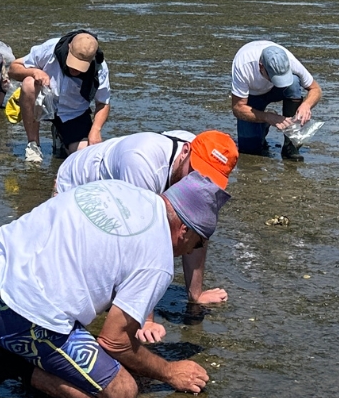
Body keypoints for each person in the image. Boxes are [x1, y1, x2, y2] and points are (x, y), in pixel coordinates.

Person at [0, 174, 226, 398]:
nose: (193, 251)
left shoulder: (126, 190)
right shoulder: (158, 259)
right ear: (183, 231)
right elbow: (114, 341)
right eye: (199, 242)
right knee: (122, 391)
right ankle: (5, 365)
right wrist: (170, 371)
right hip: (10, 313)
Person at [54, 130, 239, 334]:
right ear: (186, 151)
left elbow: (197, 231)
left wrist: (196, 295)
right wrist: (145, 318)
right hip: (79, 184)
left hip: (118, 183)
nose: (196, 182)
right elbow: (141, 240)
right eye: (194, 171)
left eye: (208, 179)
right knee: (80, 281)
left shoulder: (195, 155)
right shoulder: (142, 163)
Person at [9, 30, 110, 164]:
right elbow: (13, 69)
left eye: (81, 67)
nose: (75, 70)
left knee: (86, 157)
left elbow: (103, 103)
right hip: (44, 102)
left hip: (73, 113)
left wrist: (96, 130)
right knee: (28, 83)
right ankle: (33, 145)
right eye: (73, 63)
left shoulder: (100, 68)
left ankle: (61, 136)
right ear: (69, 47)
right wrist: (34, 71)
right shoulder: (50, 48)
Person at [230, 40, 323, 160]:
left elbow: (316, 89)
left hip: (277, 91)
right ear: (261, 67)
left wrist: (306, 105)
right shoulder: (243, 66)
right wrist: (268, 117)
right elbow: (238, 108)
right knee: (250, 150)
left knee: (294, 83)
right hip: (252, 97)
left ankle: (291, 145)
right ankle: (263, 125)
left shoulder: (290, 60)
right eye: (273, 77)